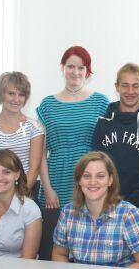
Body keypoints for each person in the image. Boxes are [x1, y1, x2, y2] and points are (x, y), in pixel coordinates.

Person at [52, 152, 139, 268]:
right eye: (86, 176)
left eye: (100, 176)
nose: (92, 182)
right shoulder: (68, 212)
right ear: (79, 181)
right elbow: (58, 254)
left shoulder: (129, 214)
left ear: (110, 180)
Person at [37, 46, 109, 209]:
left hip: (91, 180)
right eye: (70, 66)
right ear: (62, 67)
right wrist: (48, 189)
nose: (75, 72)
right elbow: (40, 153)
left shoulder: (101, 102)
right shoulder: (48, 105)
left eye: (81, 67)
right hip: (56, 180)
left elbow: (108, 149)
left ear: (87, 71)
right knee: (54, 232)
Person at [92, 63, 139, 215]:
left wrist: (129, 204)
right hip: (106, 206)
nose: (130, 91)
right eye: (125, 85)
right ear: (117, 87)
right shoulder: (103, 123)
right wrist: (109, 200)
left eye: (135, 86)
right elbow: (95, 167)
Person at [0, 71, 44, 187]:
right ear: (1, 94)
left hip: (26, 193)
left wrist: (19, 197)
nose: (16, 99)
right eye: (11, 93)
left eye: (21, 95)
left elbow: (35, 168)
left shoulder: (35, 127)